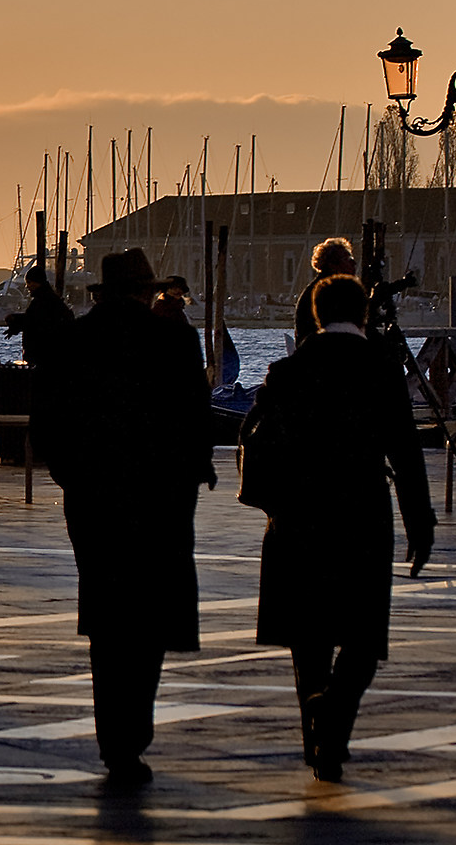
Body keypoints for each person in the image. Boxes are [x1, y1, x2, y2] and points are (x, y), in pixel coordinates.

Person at [33, 247, 217, 787]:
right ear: (145, 290)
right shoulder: (175, 339)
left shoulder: (73, 341)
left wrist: (72, 475)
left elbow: (47, 422)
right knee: (150, 620)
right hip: (159, 501)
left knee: (107, 618)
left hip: (94, 501)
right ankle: (133, 735)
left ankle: (114, 739)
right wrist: (187, 476)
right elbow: (195, 421)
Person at [245, 274, 434, 781]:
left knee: (309, 638)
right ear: (364, 314)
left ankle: (316, 736)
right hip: (361, 513)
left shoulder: (287, 369)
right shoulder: (381, 368)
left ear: (316, 313)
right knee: (363, 635)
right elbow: (406, 450)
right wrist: (421, 521)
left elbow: (255, 437)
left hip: (297, 516)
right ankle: (335, 723)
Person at [293, 237, 357, 347]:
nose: (353, 263)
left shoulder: (336, 287)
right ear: (332, 265)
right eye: (347, 259)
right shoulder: (325, 290)